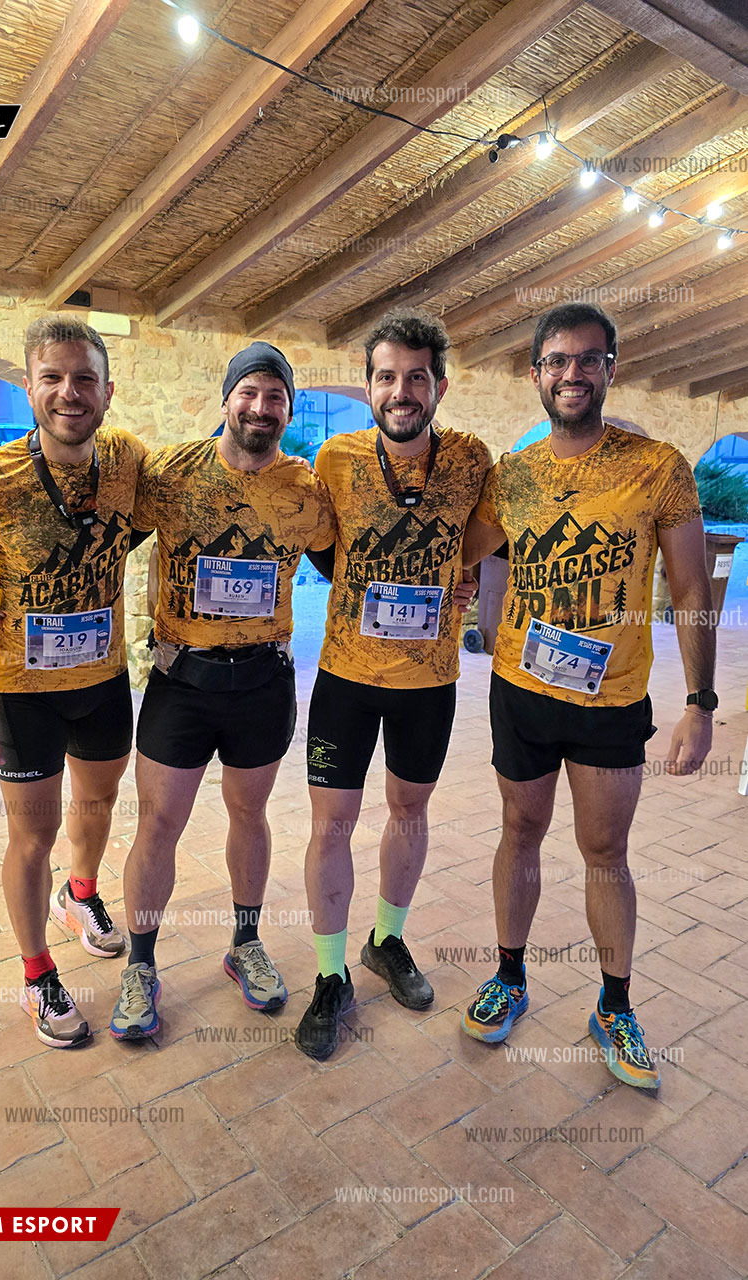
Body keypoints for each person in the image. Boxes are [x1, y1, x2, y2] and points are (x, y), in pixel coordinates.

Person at [458, 301, 715, 1089]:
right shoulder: (511, 475)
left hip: (611, 700)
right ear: (535, 373)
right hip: (521, 690)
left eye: (587, 359)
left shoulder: (657, 465)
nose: (572, 373)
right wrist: (476, 615)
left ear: (609, 369)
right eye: (557, 360)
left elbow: (690, 587)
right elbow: (471, 553)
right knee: (519, 831)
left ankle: (614, 1003)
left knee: (604, 852)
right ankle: (508, 976)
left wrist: (700, 703)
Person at [0, 316, 149, 1049]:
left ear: (108, 390)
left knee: (98, 804)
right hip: (21, 690)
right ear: (28, 387)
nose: (68, 393)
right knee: (33, 834)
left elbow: (180, 508)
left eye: (84, 378)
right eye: (52, 377)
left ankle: (79, 894)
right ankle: (36, 973)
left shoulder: (127, 462)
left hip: (104, 681)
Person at [109, 342, 336, 1041]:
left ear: (288, 410)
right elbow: (101, 546)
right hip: (182, 682)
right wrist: (6, 594)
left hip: (263, 683)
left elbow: (351, 566)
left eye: (275, 398)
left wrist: (453, 586)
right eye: (250, 393)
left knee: (249, 814)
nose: (261, 408)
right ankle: (140, 965)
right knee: (158, 823)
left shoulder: (305, 490)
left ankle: (245, 942)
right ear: (227, 399)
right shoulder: (172, 472)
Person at [294, 309, 491, 1060]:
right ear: (369, 384)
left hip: (429, 681)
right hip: (344, 678)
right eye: (386, 377)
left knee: (409, 810)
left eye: (415, 377)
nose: (400, 391)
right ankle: (328, 974)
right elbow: (323, 551)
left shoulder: (470, 459)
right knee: (331, 825)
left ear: (439, 386)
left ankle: (386, 940)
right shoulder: (336, 457)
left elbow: (486, 537)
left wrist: (463, 579)